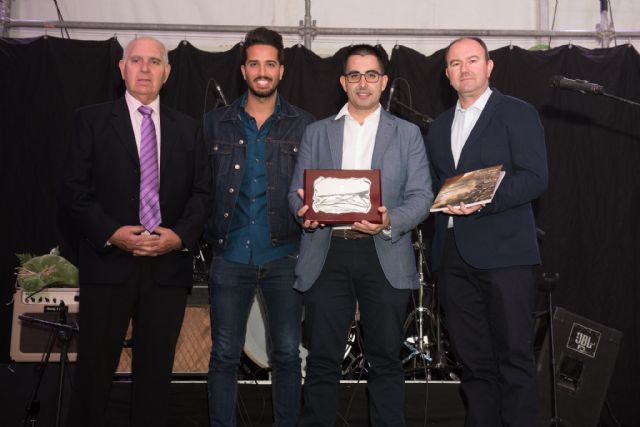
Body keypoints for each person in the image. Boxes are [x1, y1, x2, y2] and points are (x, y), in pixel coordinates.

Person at [63, 37, 212, 426]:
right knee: (93, 372)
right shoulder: (91, 120)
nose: (145, 69)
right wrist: (112, 232)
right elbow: (74, 192)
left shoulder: (189, 129)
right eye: (136, 60)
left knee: (155, 377)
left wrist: (179, 237)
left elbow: (203, 194)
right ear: (122, 68)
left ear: (168, 72)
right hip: (107, 264)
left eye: (154, 62)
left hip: (167, 270)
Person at [288, 44, 433, 427]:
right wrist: (304, 213)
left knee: (385, 359)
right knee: (321, 359)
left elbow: (422, 196)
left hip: (384, 251)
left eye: (371, 75)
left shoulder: (407, 134)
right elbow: (295, 193)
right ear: (343, 82)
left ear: (384, 82)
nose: (363, 83)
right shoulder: (317, 132)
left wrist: (389, 220)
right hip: (327, 252)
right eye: (355, 75)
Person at [426, 37, 548, 427]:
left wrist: (484, 199)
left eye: (473, 60)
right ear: (447, 74)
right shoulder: (438, 127)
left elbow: (536, 178)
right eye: (455, 63)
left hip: (505, 256)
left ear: (489, 66)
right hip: (453, 257)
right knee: (474, 363)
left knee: (514, 358)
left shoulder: (517, 112)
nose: (464, 69)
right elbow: (435, 188)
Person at [203, 27, 314, 427]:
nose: (262, 71)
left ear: (281, 70)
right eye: (254, 64)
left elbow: (313, 188)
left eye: (270, 64)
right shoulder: (215, 124)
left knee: (286, 354)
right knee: (224, 355)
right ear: (243, 70)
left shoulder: (305, 125)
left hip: (285, 254)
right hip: (229, 255)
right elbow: (200, 188)